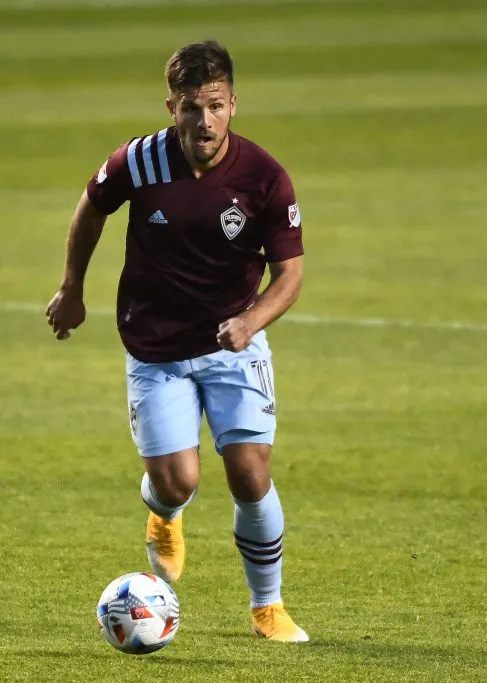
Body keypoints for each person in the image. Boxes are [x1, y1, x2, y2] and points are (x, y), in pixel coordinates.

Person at [44, 39, 308, 642]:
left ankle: (268, 607)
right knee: (177, 482)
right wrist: (72, 287)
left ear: (233, 104)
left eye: (215, 105)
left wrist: (251, 322)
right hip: (156, 346)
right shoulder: (137, 161)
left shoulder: (265, 177)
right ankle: (164, 515)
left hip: (233, 345)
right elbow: (90, 208)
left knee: (250, 473)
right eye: (191, 107)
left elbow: (290, 274)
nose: (204, 120)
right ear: (172, 107)